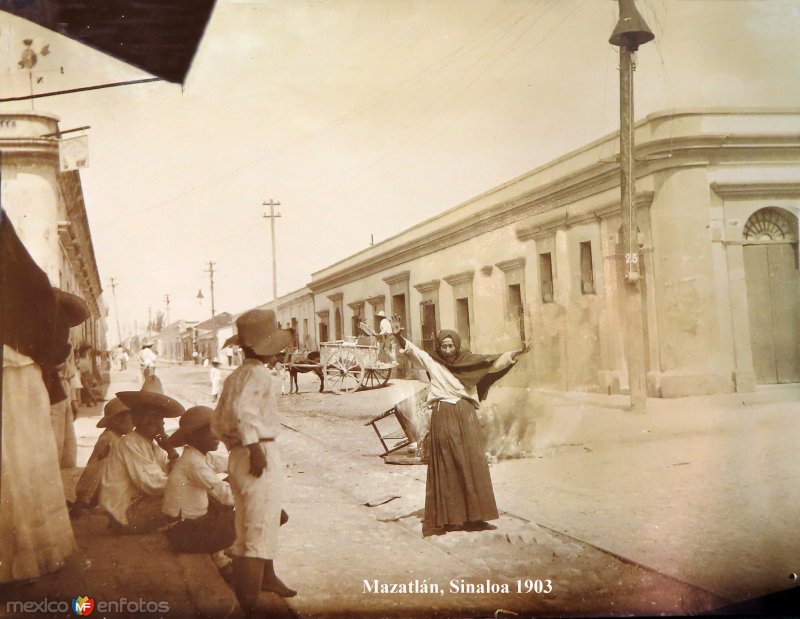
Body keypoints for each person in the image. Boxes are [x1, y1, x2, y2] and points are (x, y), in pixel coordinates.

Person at [0, 210, 91, 584]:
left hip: (14, 379)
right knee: (22, 469)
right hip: (21, 377)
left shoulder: (26, 284)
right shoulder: (31, 282)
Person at [393, 324, 530, 537]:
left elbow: (493, 362)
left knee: (472, 462)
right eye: (444, 346)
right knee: (449, 462)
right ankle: (452, 519)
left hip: (466, 413)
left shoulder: (469, 362)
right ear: (439, 347)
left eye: (451, 346)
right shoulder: (432, 361)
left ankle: (475, 517)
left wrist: (518, 352)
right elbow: (413, 352)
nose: (447, 350)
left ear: (456, 346)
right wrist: (398, 336)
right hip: (444, 413)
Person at [211, 309, 296, 613]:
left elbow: (219, 423)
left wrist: (238, 445)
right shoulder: (259, 374)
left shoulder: (236, 375)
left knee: (252, 523)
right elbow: (247, 413)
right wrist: (255, 448)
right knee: (256, 534)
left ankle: (266, 579)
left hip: (238, 455)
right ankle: (249, 604)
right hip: (258, 454)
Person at [99, 375, 183, 534]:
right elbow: (154, 485)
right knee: (190, 501)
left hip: (136, 507)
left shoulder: (154, 448)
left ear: (162, 423)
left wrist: (171, 451)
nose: (152, 422)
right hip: (127, 513)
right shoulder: (130, 443)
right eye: (146, 415)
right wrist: (189, 484)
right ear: (135, 418)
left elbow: (171, 475)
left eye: (157, 418)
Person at [162, 406, 236, 572]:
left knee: (226, 491)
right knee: (253, 516)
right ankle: (226, 557)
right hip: (184, 533)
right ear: (193, 436)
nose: (217, 436)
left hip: (188, 526)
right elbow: (226, 496)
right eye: (210, 431)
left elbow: (226, 465)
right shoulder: (193, 462)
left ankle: (221, 556)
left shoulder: (200, 456)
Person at [70, 398, 134, 518]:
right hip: (97, 493)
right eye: (131, 418)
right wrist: (83, 499)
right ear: (117, 419)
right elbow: (96, 469)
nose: (134, 423)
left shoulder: (115, 438)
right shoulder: (109, 440)